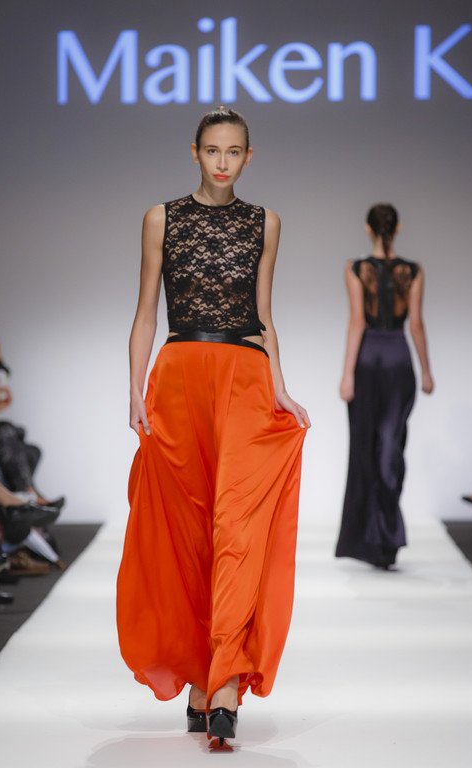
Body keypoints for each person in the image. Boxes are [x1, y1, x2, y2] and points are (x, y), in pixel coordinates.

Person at [117, 107, 309, 746]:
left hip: (245, 378)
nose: (222, 162)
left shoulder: (266, 222)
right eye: (212, 150)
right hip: (179, 379)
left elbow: (263, 314)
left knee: (238, 525)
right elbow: (147, 311)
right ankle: (201, 678)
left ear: (248, 157)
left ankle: (225, 681)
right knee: (191, 529)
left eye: (233, 151)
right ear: (194, 152)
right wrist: (135, 388)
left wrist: (280, 387)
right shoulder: (161, 217)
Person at [336, 204, 434, 569]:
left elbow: (357, 322)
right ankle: (386, 537)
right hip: (398, 362)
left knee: (368, 449)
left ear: (368, 229)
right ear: (399, 227)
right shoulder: (413, 270)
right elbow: (416, 324)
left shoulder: (355, 268)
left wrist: (346, 375)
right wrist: (426, 371)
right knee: (390, 448)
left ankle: (376, 539)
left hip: (368, 362)